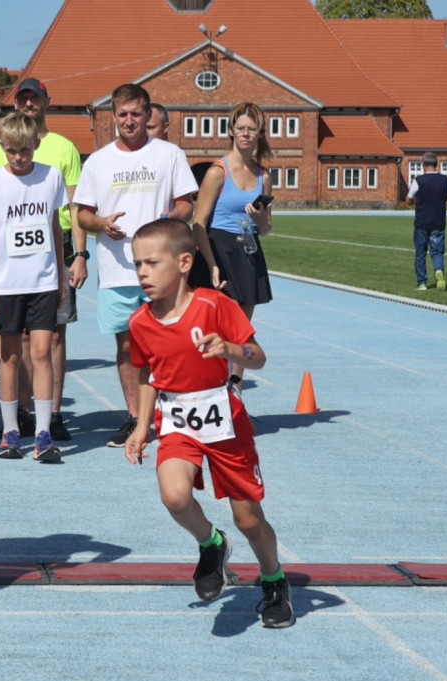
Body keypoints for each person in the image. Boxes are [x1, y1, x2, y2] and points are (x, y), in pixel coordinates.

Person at [124, 218, 294, 629]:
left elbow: (259, 356)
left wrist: (231, 348)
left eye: (151, 262)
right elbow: (147, 375)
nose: (142, 273)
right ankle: (211, 545)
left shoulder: (215, 306)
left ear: (184, 262)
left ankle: (273, 580)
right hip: (178, 421)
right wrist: (141, 425)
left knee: (249, 519)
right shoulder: (140, 323)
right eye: (137, 264)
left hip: (224, 422)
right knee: (175, 497)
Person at [75, 83, 198, 447]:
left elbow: (186, 205)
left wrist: (169, 219)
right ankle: (134, 417)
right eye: (123, 115)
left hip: (162, 269)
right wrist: (101, 224)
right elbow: (82, 214)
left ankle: (172, 413)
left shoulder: (170, 154)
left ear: (148, 115)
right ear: (113, 117)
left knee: (171, 342)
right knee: (127, 347)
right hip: (117, 270)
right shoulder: (98, 161)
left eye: (136, 114)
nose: (129, 121)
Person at [0, 77, 86, 442]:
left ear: (47, 100)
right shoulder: (5, 146)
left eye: (35, 98)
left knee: (54, 338)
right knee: (20, 342)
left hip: (54, 243)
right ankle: (23, 412)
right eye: (23, 99)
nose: (29, 104)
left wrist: (79, 254)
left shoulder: (64, 148)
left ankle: (54, 413)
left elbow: (75, 206)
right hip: (13, 250)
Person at [0, 112, 66, 462]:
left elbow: (56, 230)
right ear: (3, 147)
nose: (18, 157)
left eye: (25, 150)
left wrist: (60, 276)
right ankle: (10, 431)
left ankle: (43, 434)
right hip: (6, 283)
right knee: (9, 356)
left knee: (42, 353)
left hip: (43, 280)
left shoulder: (51, 177)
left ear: (36, 145)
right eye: (11, 151)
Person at [191, 101, 274, 389]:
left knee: (242, 332)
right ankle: (207, 387)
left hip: (249, 251)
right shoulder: (218, 172)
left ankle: (235, 392)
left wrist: (261, 219)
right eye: (241, 128)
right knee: (214, 327)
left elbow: (265, 229)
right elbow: (199, 223)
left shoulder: (264, 176)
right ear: (231, 131)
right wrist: (212, 264)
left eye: (252, 129)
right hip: (218, 250)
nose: (246, 134)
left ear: (260, 133)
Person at [406, 151, 447, 291]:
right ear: (436, 164)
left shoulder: (419, 180)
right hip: (438, 221)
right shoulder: (444, 180)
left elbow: (409, 198)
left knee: (420, 253)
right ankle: (438, 270)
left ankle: (422, 283)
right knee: (437, 252)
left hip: (422, 222)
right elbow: (446, 197)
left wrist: (413, 202)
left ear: (423, 164)